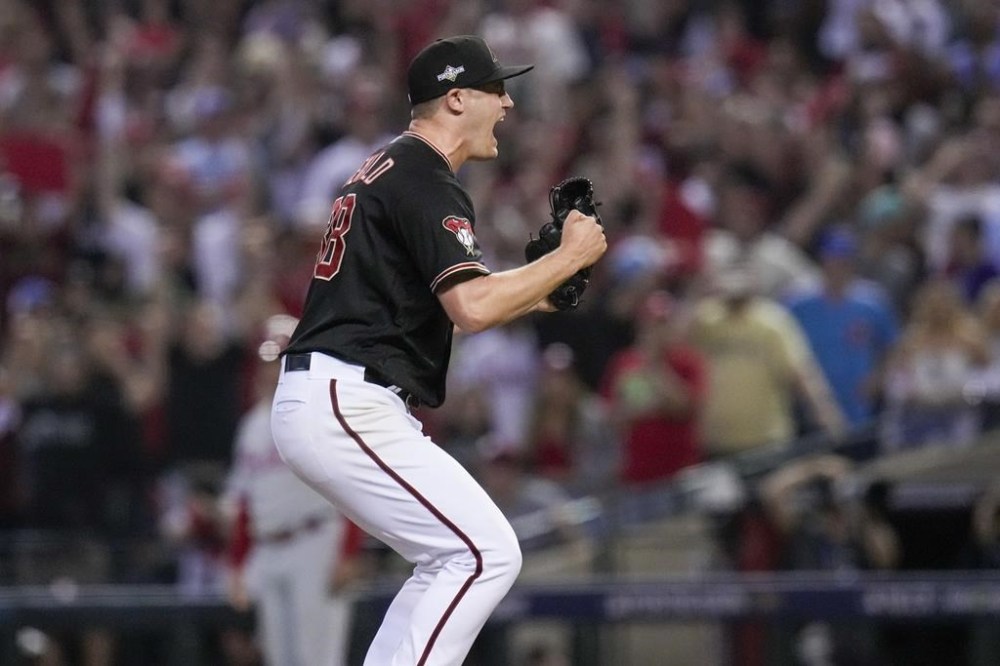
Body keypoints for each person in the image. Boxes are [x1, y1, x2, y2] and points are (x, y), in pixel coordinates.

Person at [270, 34, 606, 666]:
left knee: (451, 560)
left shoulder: (394, 168)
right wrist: (567, 257)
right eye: (495, 90)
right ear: (456, 99)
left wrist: (548, 291)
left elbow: (444, 303)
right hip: (346, 398)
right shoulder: (424, 175)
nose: (507, 103)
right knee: (484, 554)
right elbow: (472, 308)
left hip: (337, 396)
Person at [221, 314, 363, 666]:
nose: (273, 369)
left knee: (318, 659)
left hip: (315, 542)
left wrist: (348, 551)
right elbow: (244, 501)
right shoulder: (252, 423)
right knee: (279, 659)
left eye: (281, 359)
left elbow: (353, 485)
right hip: (268, 549)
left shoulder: (324, 413)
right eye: (267, 360)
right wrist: (238, 562)